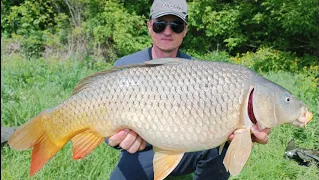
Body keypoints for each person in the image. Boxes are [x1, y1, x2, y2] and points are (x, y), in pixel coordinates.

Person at [106, 0, 271, 179]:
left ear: (185, 29)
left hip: (186, 148)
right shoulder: (125, 67)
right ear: (149, 26)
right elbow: (104, 117)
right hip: (141, 150)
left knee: (216, 149)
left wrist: (244, 130)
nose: (167, 32)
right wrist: (115, 140)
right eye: (160, 25)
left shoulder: (196, 70)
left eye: (176, 26)